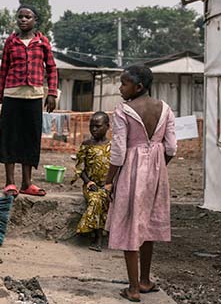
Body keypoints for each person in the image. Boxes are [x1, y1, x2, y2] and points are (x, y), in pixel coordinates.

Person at [104, 65, 176, 302]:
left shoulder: (123, 111)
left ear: (139, 87)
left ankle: (133, 288)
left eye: (124, 83)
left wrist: (109, 181)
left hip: (131, 171)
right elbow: (172, 147)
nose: (120, 88)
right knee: (147, 225)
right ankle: (145, 280)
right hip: (157, 172)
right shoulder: (165, 109)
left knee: (130, 226)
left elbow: (118, 152)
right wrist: (158, 165)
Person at [0, 5, 58, 197]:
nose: (23, 20)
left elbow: (52, 69)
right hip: (12, 95)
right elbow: (3, 70)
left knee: (30, 138)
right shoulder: (11, 42)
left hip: (34, 96)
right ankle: (10, 182)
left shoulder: (42, 42)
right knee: (10, 137)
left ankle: (27, 183)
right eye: (20, 17)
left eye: (27, 17)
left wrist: (52, 93)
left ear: (35, 20)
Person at [70, 111, 111, 251]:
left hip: (108, 185)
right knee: (96, 199)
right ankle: (97, 237)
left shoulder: (113, 146)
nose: (94, 129)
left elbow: (117, 167)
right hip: (91, 185)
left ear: (107, 126)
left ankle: (91, 231)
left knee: (105, 197)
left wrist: (110, 185)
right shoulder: (86, 145)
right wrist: (89, 182)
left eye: (98, 126)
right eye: (91, 126)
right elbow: (80, 168)